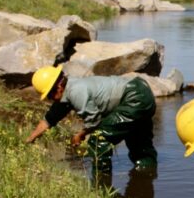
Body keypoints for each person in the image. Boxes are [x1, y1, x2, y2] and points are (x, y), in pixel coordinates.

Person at [26, 66, 157, 177]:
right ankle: (147, 176)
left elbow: (94, 120)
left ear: (58, 86)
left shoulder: (75, 91)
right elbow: (49, 119)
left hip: (134, 98)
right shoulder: (67, 90)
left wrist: (80, 135)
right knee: (140, 145)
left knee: (99, 140)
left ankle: (101, 184)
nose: (50, 99)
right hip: (141, 91)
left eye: (49, 95)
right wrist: (29, 139)